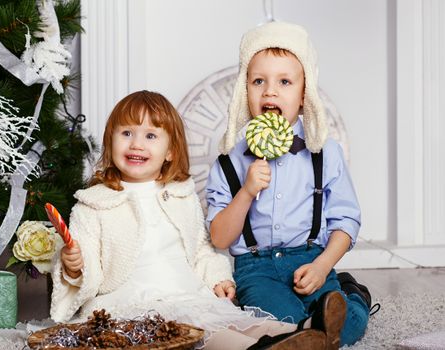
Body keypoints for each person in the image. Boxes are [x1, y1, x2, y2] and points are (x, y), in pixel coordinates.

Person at [50, 90, 346, 350]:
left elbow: (200, 250)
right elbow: (86, 258)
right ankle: (261, 348)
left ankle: (303, 333)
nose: (136, 144)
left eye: (150, 136)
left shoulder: (180, 195)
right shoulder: (94, 203)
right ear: (110, 141)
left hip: (186, 292)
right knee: (207, 335)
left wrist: (217, 278)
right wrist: (76, 266)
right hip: (132, 301)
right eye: (126, 133)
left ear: (169, 152)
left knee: (237, 321)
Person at [205, 21, 371, 347]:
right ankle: (311, 328)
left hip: (311, 258)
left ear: (303, 94)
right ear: (244, 91)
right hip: (256, 269)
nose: (270, 91)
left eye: (284, 81)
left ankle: (352, 296)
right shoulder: (228, 161)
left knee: (349, 324)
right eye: (258, 81)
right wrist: (247, 192)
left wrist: (323, 267)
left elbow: (346, 222)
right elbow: (219, 237)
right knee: (283, 326)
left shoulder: (325, 153)